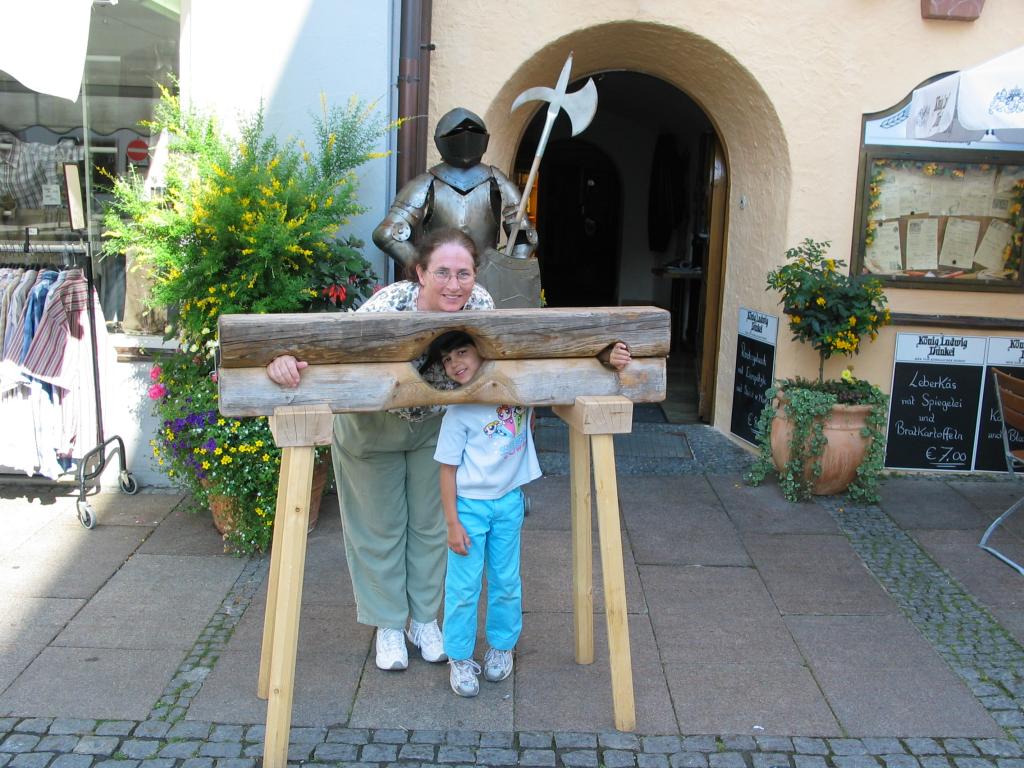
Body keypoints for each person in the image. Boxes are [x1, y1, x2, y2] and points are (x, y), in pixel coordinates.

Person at [266, 228, 494, 672]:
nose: (453, 285)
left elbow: (507, 358)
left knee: (431, 528)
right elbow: (336, 350)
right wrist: (284, 360)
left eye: (463, 273)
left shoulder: (481, 307)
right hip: (371, 427)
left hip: (432, 427)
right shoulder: (389, 305)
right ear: (420, 273)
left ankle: (423, 619)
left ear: (475, 276)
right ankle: (389, 624)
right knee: (379, 528)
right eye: (442, 272)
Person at [430, 330, 631, 697]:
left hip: (508, 502)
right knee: (463, 587)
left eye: (462, 352)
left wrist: (604, 356)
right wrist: (452, 523)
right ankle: (459, 657)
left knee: (507, 580)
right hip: (469, 508)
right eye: (447, 359)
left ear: (485, 353)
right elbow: (446, 469)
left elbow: (563, 365)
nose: (456, 363)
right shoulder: (458, 412)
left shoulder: (522, 391)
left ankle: (501, 647)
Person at [371, 107, 542, 308]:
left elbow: (524, 237)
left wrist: (508, 273)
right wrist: (427, 267)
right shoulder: (427, 183)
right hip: (437, 287)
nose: (466, 136)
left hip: (485, 280)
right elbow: (387, 234)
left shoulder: (497, 181)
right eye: (458, 132)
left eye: (473, 131)